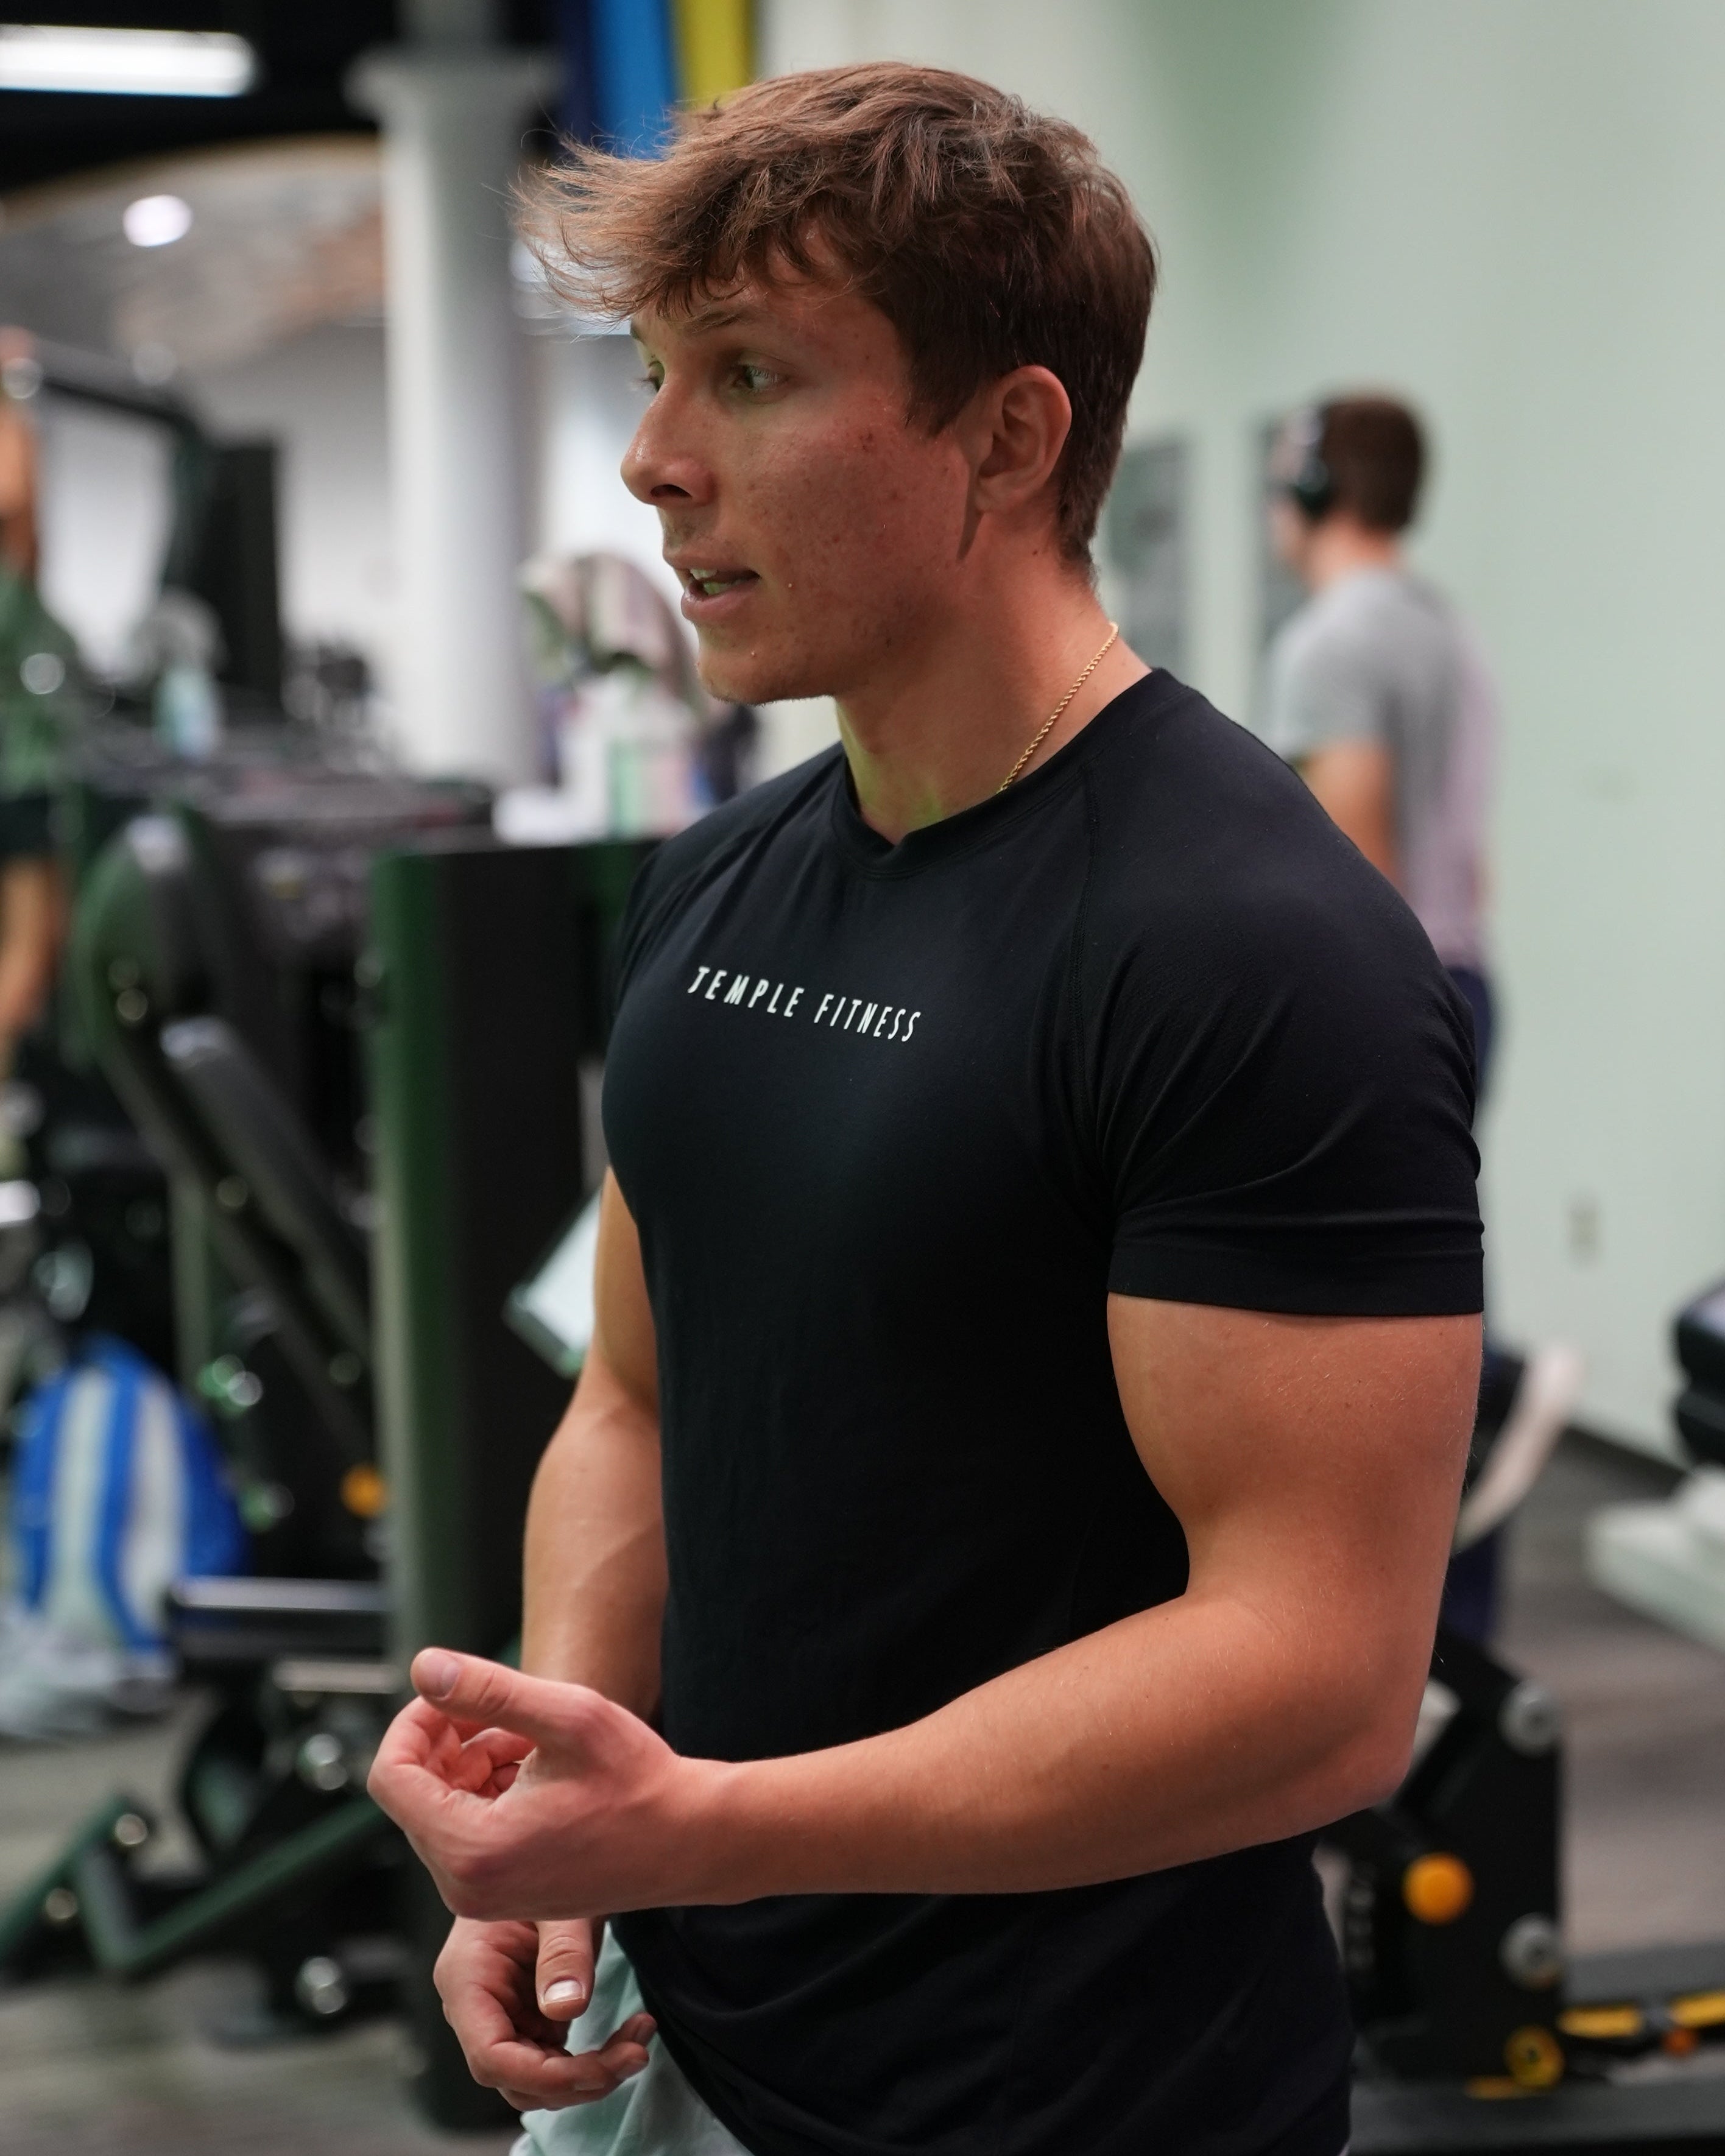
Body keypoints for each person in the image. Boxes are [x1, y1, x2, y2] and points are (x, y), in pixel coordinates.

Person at [367, 65, 1483, 2156]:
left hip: (1067, 2105)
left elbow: (1320, 1674)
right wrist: (569, 1810)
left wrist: (713, 1831)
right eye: (653, 372)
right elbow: (632, 1391)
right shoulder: (718, 879)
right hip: (679, 2047)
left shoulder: (1248, 946)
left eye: (752, 376)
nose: (653, 461)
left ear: (1011, 435)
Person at [1259, 398, 1571, 1640]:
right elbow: (1467, 861)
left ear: (1315, 485)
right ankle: (1450, 1628)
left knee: (1379, 1326)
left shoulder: (1332, 642)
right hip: (1466, 975)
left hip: (1393, 991)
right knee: (1424, 1288)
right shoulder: (1448, 628)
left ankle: (1496, 1389)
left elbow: (1357, 855)